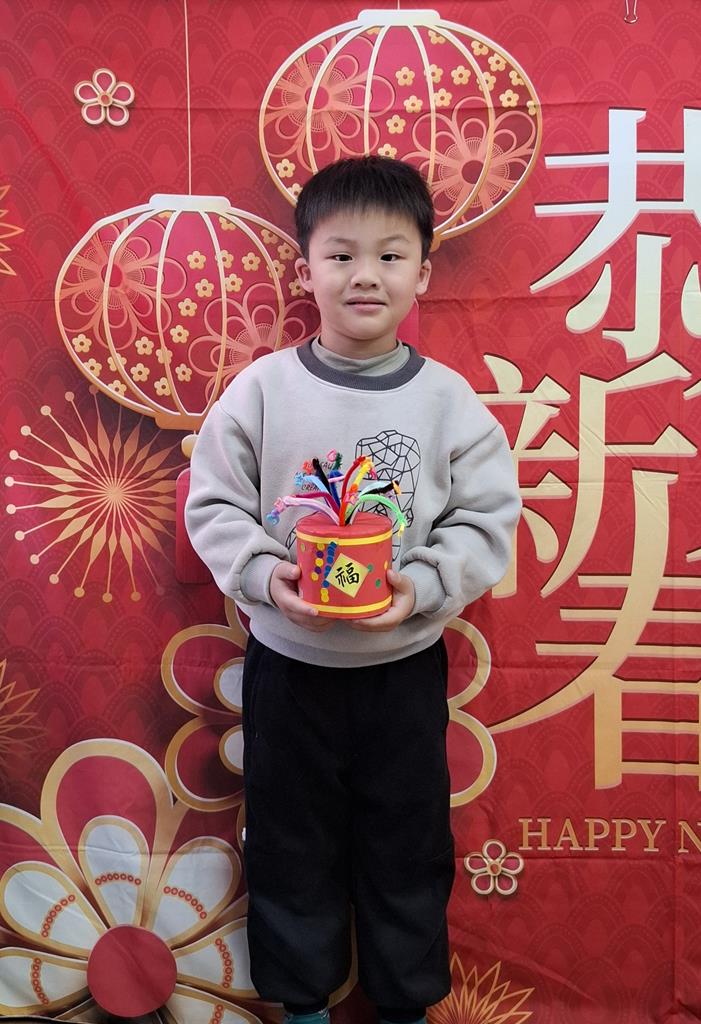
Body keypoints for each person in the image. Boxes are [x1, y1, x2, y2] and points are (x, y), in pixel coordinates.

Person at [185, 156, 522, 1024]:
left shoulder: (449, 402)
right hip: (287, 671)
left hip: (401, 675)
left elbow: (487, 517)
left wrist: (423, 584)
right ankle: (302, 1007)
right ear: (305, 271)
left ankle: (404, 1005)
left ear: (423, 273)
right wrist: (265, 575)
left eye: (389, 255)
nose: (364, 275)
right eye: (340, 255)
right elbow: (213, 503)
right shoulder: (262, 390)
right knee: (289, 846)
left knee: (408, 847)